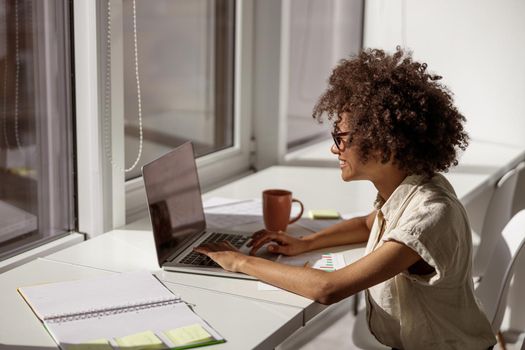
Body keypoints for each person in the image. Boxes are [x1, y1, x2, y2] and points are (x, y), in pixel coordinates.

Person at [194, 48, 497, 349]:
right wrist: (306, 244)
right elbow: (369, 225)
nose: (334, 149)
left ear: (383, 145)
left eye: (341, 138)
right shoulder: (411, 190)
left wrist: (239, 261)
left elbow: (328, 288)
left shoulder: (431, 214)